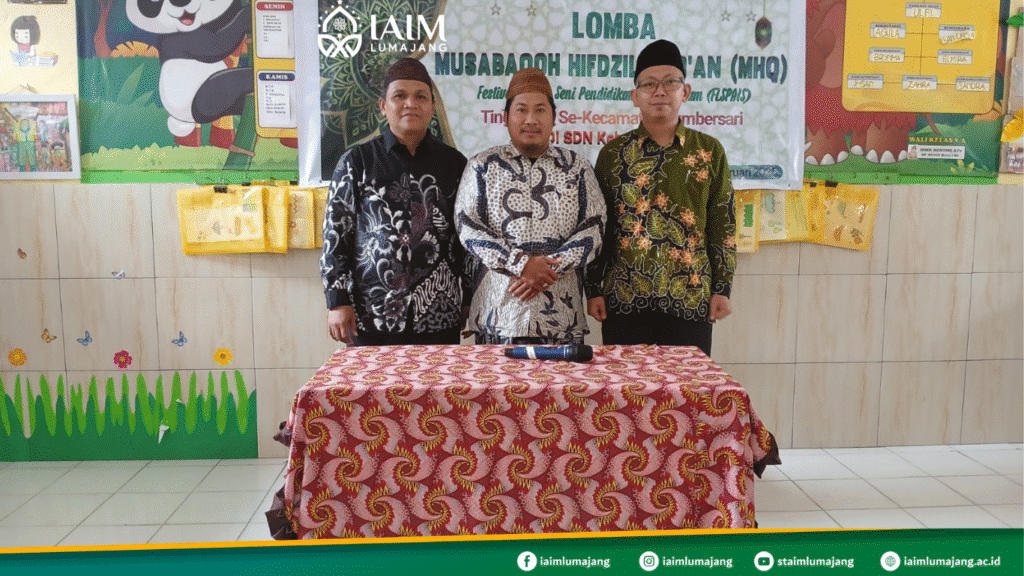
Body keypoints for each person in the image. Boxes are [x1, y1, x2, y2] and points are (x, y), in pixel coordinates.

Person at [585, 39, 736, 356]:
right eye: (649, 85)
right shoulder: (613, 155)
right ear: (635, 96)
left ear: (686, 91)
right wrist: (593, 289)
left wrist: (722, 288)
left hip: (691, 299)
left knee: (687, 396)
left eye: (670, 82)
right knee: (625, 396)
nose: (660, 92)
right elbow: (599, 227)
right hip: (624, 301)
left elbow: (723, 221)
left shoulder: (709, 152)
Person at [321, 58, 469, 346]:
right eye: (400, 95)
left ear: (432, 107)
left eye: (420, 96)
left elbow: (467, 239)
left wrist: (471, 299)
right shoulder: (357, 162)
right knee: (372, 392)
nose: (410, 104)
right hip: (372, 315)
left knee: (438, 391)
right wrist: (337, 301)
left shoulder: (454, 165)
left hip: (439, 314)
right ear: (383, 106)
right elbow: (336, 235)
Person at [456, 68, 606, 345]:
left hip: (562, 317)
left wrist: (547, 270)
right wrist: (521, 264)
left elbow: (594, 227)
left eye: (540, 110)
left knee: (564, 390)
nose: (530, 120)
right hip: (498, 316)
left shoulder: (577, 167)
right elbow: (467, 226)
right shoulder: (482, 166)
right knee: (495, 389)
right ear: (505, 118)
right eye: (521, 110)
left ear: (554, 118)